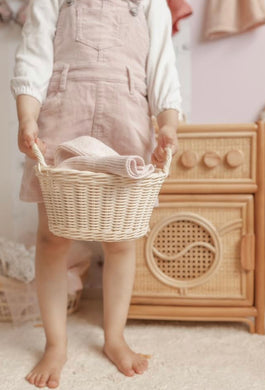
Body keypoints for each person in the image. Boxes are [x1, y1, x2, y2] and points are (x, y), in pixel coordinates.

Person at [10, 0, 182, 388]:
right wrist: (27, 116)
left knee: (121, 238)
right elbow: (34, 54)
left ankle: (115, 336)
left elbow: (162, 68)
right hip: (62, 112)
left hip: (127, 116)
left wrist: (168, 124)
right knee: (52, 236)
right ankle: (56, 343)